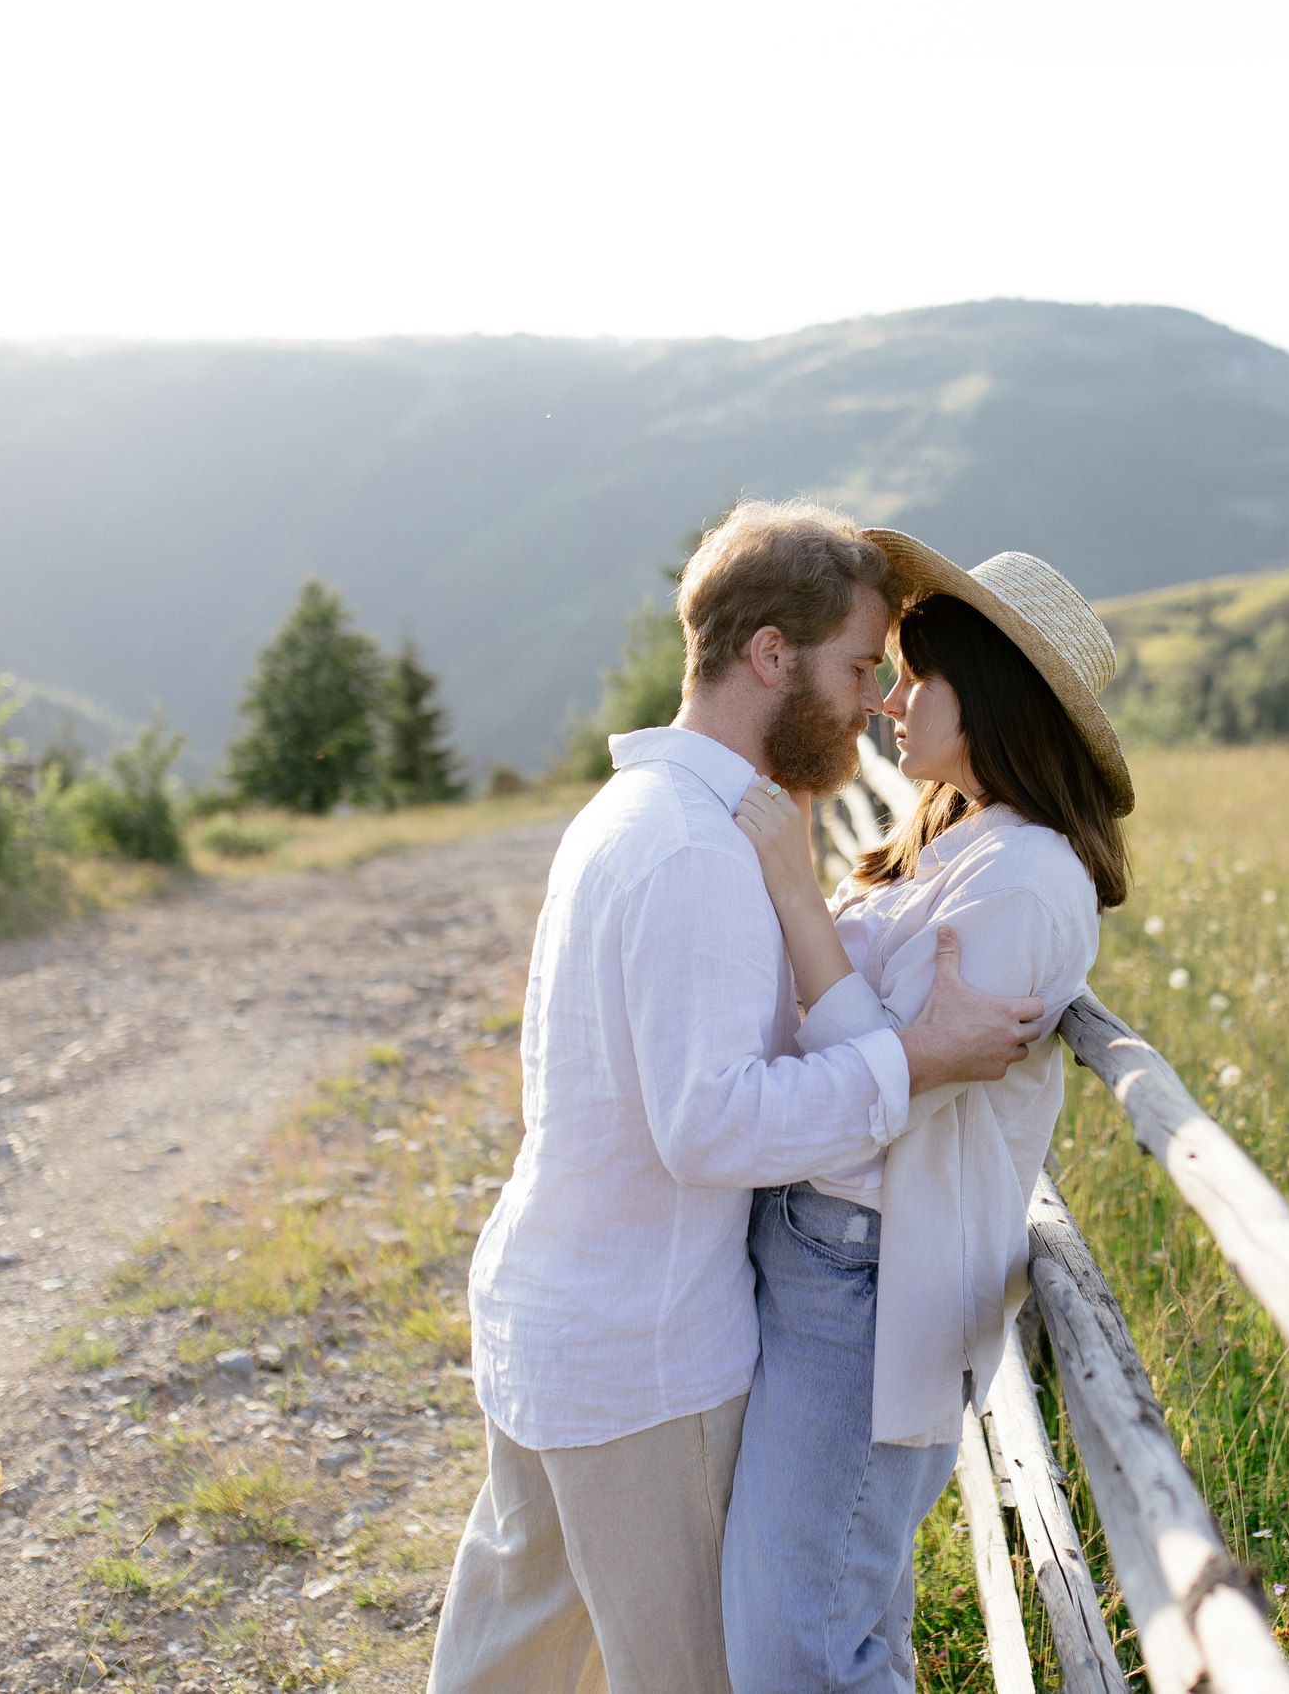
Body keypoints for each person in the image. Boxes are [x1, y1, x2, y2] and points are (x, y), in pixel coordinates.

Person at [430, 500, 1052, 1694]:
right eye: (862, 664)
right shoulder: (692, 852)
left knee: (511, 1658)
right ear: (771, 655)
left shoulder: (639, 814)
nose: (878, 698)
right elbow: (708, 1124)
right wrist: (913, 1059)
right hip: (643, 1357)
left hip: (556, 1313)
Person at [721, 532, 1132, 1694]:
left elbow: (878, 1098)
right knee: (826, 1617)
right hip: (833, 1255)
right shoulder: (963, 838)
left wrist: (796, 894)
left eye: (916, 676)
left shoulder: (1025, 882)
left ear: (987, 696)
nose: (891, 702)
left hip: (870, 1272)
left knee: (796, 1646)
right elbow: (890, 1056)